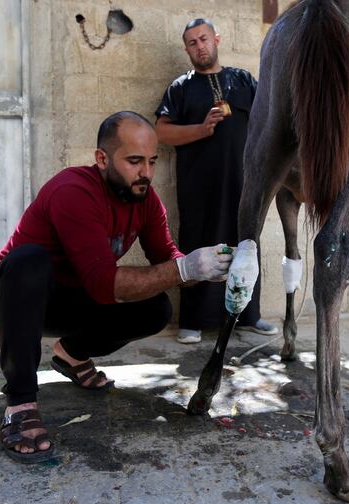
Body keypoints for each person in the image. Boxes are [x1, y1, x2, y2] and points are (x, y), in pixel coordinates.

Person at [0, 111, 234, 463]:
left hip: (68, 297)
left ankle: (71, 354)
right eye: (134, 161)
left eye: (152, 161)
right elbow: (103, 285)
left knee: (155, 308)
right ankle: (20, 403)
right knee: (28, 261)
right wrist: (184, 268)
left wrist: (211, 267)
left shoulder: (144, 197)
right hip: (7, 294)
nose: (146, 172)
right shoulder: (73, 191)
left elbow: (167, 258)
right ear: (101, 159)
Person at [155, 18, 278, 344]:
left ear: (216, 39)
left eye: (204, 39)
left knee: (247, 243)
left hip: (245, 181)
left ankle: (250, 315)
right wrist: (202, 129)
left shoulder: (243, 80)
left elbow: (268, 120)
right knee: (198, 244)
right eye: (193, 42)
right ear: (187, 49)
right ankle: (193, 320)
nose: (200, 46)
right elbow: (161, 131)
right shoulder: (181, 87)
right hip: (199, 187)